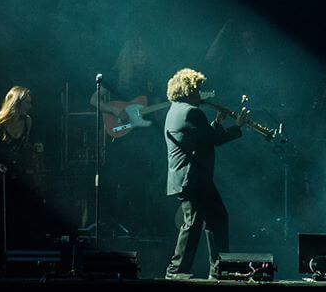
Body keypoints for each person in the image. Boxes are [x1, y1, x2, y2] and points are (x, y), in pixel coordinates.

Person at [163, 68, 244, 279]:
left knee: (214, 219)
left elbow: (202, 137)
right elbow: (214, 140)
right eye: (197, 91)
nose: (200, 95)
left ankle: (217, 271)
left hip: (190, 178)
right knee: (195, 223)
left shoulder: (176, 110)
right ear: (188, 90)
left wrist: (217, 123)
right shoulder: (192, 112)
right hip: (193, 178)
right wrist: (237, 127)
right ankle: (176, 271)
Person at [89, 38, 166, 237]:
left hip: (145, 138)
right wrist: (115, 110)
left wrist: (165, 110)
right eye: (137, 51)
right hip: (122, 137)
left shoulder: (152, 78)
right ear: (129, 54)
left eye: (144, 50)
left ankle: (142, 227)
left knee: (144, 182)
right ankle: (116, 224)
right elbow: (94, 100)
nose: (141, 55)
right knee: (120, 180)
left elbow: (157, 108)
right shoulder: (116, 75)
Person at [0, 86, 39, 251]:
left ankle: (19, 250)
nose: (30, 106)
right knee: (3, 215)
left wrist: (34, 149)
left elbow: (24, 146)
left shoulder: (27, 121)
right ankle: (0, 252)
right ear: (16, 103)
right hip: (2, 175)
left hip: (20, 174)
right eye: (27, 103)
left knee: (20, 213)